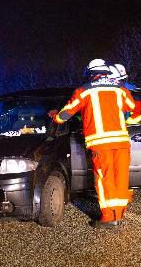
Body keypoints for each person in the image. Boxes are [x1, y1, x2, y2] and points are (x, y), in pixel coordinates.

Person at [52, 59, 136, 229]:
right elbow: (131, 106)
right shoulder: (120, 89)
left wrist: (55, 116)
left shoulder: (84, 91)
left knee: (105, 179)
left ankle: (108, 218)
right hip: (121, 142)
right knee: (120, 178)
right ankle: (118, 215)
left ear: (91, 74)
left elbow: (65, 115)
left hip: (101, 143)